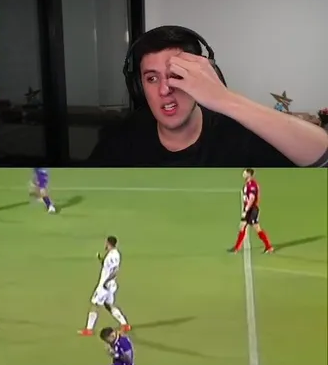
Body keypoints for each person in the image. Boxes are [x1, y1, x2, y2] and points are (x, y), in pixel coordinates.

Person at [87, 25, 328, 167]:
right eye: (151, 78)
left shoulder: (238, 136)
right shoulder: (121, 141)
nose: (164, 90)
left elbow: (321, 156)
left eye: (177, 75)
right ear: (138, 87)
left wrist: (223, 98)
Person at [80, 236, 131, 336]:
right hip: (111, 285)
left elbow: (115, 270)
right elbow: (109, 266)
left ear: (108, 243)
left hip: (105, 286)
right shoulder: (115, 254)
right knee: (109, 305)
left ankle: (89, 329)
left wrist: (106, 281)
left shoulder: (112, 255)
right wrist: (101, 259)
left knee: (94, 305)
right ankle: (124, 324)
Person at [231, 168, 273, 254]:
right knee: (242, 226)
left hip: (252, 209)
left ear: (249, 174)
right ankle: (236, 248)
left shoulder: (252, 185)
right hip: (249, 209)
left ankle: (269, 247)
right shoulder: (247, 184)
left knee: (257, 228)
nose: (243, 173)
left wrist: (246, 210)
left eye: (245, 172)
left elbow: (251, 198)